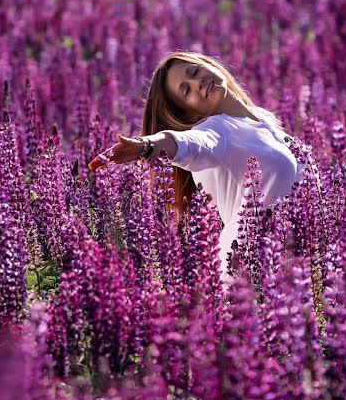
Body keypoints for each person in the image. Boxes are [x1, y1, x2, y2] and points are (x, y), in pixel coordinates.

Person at [88, 50, 305, 285]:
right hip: (248, 281)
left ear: (207, 64)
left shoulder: (262, 120)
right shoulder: (216, 132)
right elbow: (191, 144)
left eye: (193, 71)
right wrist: (148, 145)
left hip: (287, 275)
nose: (197, 83)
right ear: (189, 113)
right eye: (186, 90)